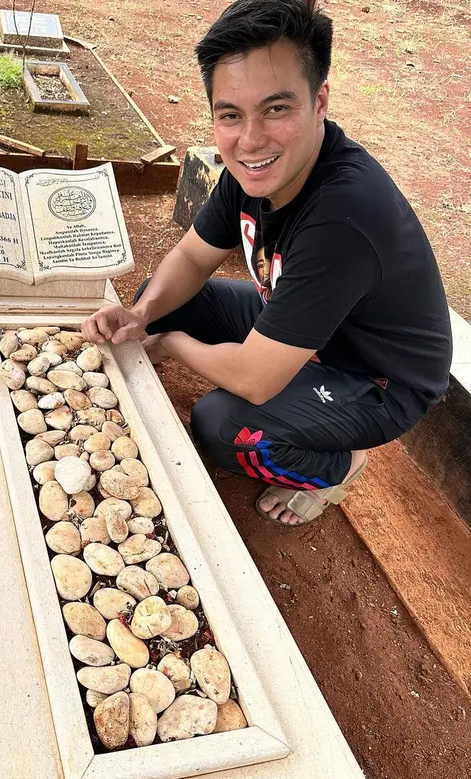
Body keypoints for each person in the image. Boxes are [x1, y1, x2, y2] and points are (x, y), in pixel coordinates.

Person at [82, 0, 452, 525]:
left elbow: (255, 380)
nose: (250, 140)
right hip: (309, 329)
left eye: (277, 109)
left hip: (374, 380)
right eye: (230, 114)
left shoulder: (343, 220)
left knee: (224, 426)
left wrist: (170, 344)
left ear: (319, 100)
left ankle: (340, 463)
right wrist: (143, 318)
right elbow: (191, 255)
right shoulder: (254, 167)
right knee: (158, 299)